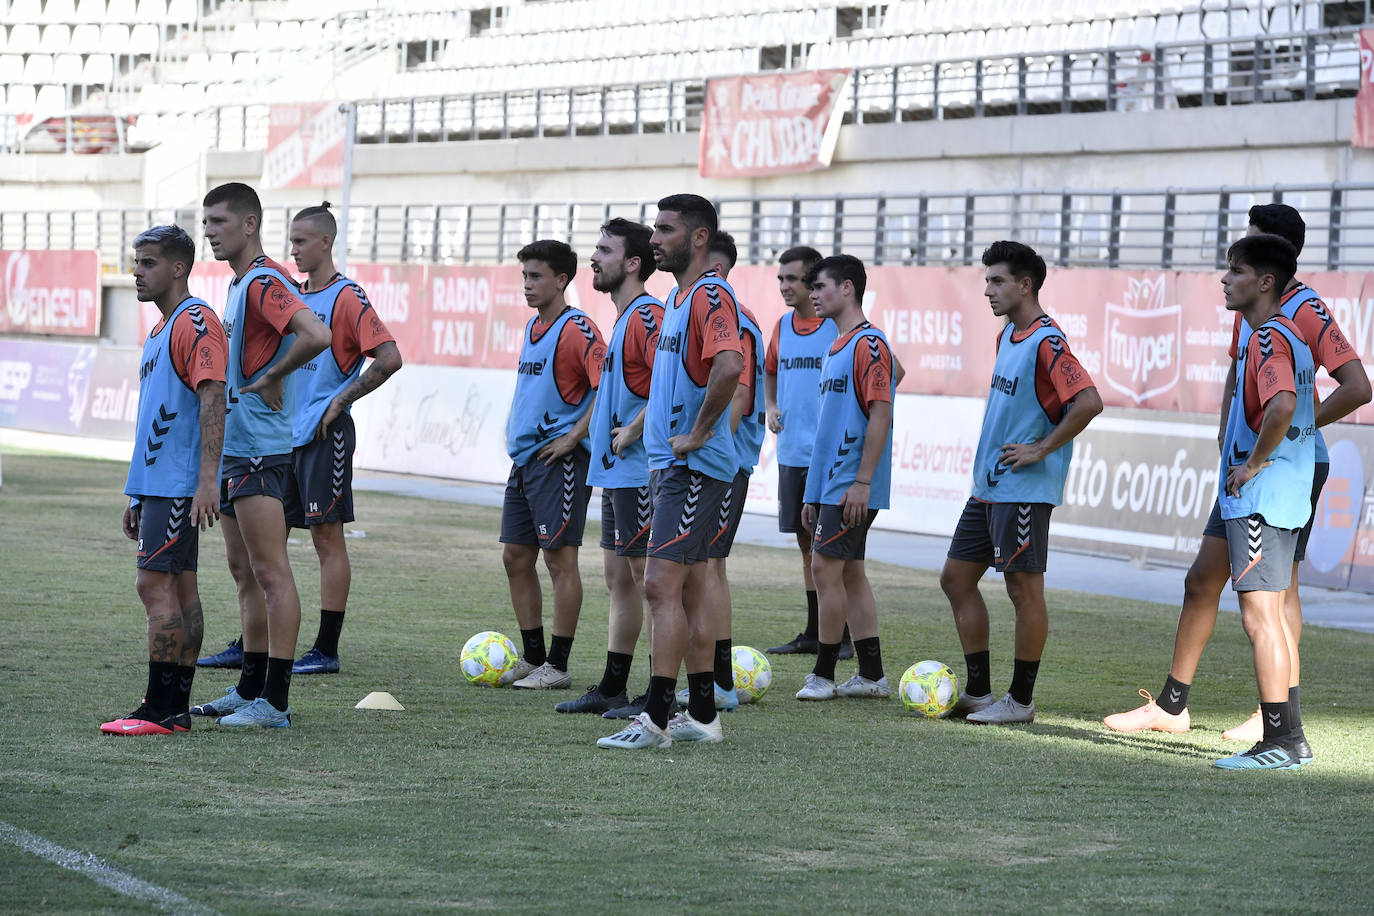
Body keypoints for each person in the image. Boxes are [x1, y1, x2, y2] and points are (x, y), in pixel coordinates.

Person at [1104, 205, 1370, 749]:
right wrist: (1226, 436)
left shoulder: (1303, 310)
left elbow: (1357, 386)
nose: (1231, 269)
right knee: (1203, 579)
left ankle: (1276, 719)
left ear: (1274, 262)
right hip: (1249, 463)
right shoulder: (1253, 308)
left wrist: (1298, 425)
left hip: (1285, 466)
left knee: (1275, 597)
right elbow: (1237, 367)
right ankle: (1173, 706)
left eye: (1246, 251)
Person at [598, 194, 744, 749]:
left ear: (698, 238)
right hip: (671, 465)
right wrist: (642, 431)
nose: (654, 238)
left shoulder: (709, 294)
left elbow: (730, 365)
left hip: (694, 468)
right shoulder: (682, 299)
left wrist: (700, 432)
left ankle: (656, 718)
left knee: (660, 585)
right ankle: (702, 716)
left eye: (665, 230)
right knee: (689, 592)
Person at [940, 240, 1102, 725]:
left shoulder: (1048, 341)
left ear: (1025, 284)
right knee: (955, 578)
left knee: (1023, 590)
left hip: (1024, 489)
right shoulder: (1006, 336)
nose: (987, 290)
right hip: (989, 486)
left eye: (997, 281)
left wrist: (1040, 449)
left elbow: (1089, 401)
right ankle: (979, 692)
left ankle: (1021, 700)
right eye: (986, 280)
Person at [189, 182, 331, 729]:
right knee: (243, 570)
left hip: (261, 452)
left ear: (250, 224)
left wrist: (273, 375)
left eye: (219, 222)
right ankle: (249, 686)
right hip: (237, 450)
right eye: (206, 223)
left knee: (271, 573)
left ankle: (274, 701)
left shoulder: (266, 279)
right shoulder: (241, 283)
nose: (209, 232)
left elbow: (314, 333)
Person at [101, 226, 228, 736]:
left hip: (178, 484)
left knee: (153, 586)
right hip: (158, 484)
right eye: (136, 261)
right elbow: (157, 415)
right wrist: (136, 492)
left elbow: (213, 395)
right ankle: (174, 708)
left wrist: (206, 479)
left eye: (148, 262)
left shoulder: (195, 321)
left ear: (178, 268)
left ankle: (159, 708)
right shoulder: (161, 329)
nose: (136, 271)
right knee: (181, 590)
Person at [1206, 234, 1317, 770]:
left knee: (1260, 617)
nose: (1225, 280)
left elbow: (1282, 405)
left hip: (1263, 496)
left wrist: (1250, 466)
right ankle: (1285, 738)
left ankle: (1283, 742)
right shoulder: (1284, 334)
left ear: (1265, 282)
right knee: (1268, 613)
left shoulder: (1270, 338)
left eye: (1236, 271)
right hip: (1282, 494)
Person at [283, 202, 403, 674]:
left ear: (325, 242)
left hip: (323, 435)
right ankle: (262, 635)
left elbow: (389, 357)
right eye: (291, 241)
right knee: (268, 540)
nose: (293, 250)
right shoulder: (291, 296)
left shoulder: (346, 296)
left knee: (326, 539)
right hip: (282, 439)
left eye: (300, 241)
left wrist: (340, 400)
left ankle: (325, 649)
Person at [556, 219, 663, 715]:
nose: (593, 258)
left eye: (603, 249)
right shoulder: (624, 320)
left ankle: (658, 692)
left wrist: (632, 431)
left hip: (640, 472)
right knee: (619, 580)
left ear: (634, 263)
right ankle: (613, 686)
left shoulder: (646, 316)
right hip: (616, 474)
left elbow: (672, 384)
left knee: (651, 583)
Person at [499, 239, 605, 689]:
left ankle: (558, 666)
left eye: (536, 276)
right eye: (524, 276)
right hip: (525, 461)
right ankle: (534, 657)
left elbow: (608, 387)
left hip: (557, 464)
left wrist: (574, 437)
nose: (527, 285)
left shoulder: (578, 328)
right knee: (515, 557)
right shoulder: (532, 328)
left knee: (560, 562)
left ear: (562, 280)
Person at [792, 255, 897, 702]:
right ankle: (872, 675)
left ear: (848, 289)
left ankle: (823, 673)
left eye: (820, 287)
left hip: (851, 484)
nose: (812, 294)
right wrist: (814, 491)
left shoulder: (869, 344)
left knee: (825, 568)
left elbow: (881, 412)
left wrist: (862, 481)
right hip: (830, 484)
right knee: (850, 573)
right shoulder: (839, 346)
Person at [676, 230, 764, 711]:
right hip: (715, 458)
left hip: (720, 464)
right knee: (709, 569)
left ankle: (720, 684)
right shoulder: (697, 306)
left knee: (706, 569)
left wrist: (709, 445)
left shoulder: (730, 315)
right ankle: (719, 682)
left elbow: (740, 392)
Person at [762, 246, 853, 660]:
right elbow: (770, 369)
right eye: (781, 278)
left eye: (793, 279)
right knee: (806, 547)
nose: (785, 286)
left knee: (831, 552)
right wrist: (771, 406)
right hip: (792, 455)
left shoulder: (838, 328)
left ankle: (844, 635)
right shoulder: (782, 325)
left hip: (828, 462)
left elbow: (889, 375)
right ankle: (816, 630)